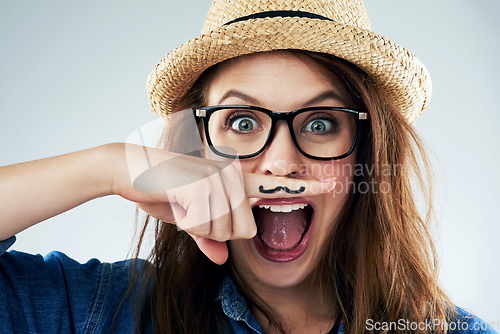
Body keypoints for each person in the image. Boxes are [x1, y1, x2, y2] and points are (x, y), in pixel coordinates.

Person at [0, 0, 496, 333]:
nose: (282, 161)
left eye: (321, 123)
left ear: (365, 150)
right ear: (195, 143)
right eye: (241, 121)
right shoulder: (109, 311)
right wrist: (107, 166)